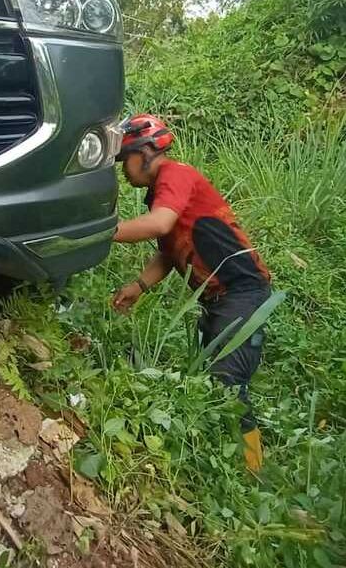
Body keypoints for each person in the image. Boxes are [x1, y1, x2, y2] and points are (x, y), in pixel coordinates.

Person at [109, 114, 272, 472]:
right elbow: (169, 248)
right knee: (214, 381)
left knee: (228, 383)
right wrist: (139, 286)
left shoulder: (176, 174)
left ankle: (253, 469)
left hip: (242, 291)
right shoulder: (162, 192)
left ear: (148, 152)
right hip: (220, 296)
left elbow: (159, 225)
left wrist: (99, 231)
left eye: (127, 160)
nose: (124, 170)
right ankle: (226, 461)